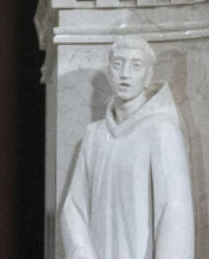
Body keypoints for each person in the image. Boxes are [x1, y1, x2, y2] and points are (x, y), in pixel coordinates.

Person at [61, 36, 194, 259]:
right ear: (109, 72)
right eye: (118, 64)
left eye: (136, 66)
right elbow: (74, 208)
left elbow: (174, 212)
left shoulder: (161, 131)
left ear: (148, 76)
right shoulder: (94, 135)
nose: (125, 73)